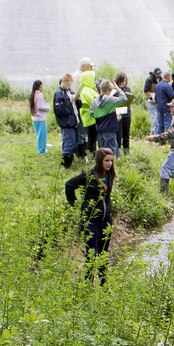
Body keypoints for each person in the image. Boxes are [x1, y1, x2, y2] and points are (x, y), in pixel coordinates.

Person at [65, 147, 116, 284]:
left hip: (106, 219)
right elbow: (69, 185)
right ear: (100, 161)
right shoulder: (88, 175)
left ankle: (103, 284)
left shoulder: (109, 175)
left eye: (111, 160)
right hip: (91, 219)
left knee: (104, 253)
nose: (109, 163)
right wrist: (75, 204)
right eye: (106, 161)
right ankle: (88, 284)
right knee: (91, 253)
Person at [90, 80, 128, 155]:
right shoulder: (110, 100)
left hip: (100, 129)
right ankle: (110, 166)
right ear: (108, 90)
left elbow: (91, 113)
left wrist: (101, 114)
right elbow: (124, 99)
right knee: (111, 151)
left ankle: (101, 165)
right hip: (110, 128)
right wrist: (118, 88)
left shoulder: (95, 101)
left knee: (102, 151)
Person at [53, 73, 79, 168]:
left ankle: (70, 160)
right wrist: (69, 102)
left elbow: (76, 107)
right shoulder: (59, 94)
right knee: (69, 142)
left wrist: (77, 100)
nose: (69, 86)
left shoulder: (70, 91)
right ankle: (65, 164)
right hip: (66, 122)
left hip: (73, 121)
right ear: (63, 82)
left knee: (74, 142)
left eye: (70, 84)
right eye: (68, 84)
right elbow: (59, 110)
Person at [29, 80, 50, 154]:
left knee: (38, 134)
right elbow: (40, 107)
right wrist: (48, 108)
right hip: (40, 117)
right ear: (40, 86)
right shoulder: (40, 95)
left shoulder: (32, 94)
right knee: (42, 135)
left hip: (34, 117)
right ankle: (41, 150)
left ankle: (41, 148)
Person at [114, 72, 133, 157]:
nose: (124, 83)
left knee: (126, 134)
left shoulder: (127, 89)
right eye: (122, 81)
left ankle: (126, 154)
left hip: (127, 114)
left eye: (125, 81)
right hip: (118, 114)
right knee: (118, 135)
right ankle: (118, 155)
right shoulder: (114, 91)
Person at [144, 67, 162, 134]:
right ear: (154, 73)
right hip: (151, 101)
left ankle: (158, 131)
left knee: (158, 116)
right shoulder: (149, 80)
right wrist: (151, 99)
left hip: (158, 100)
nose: (158, 75)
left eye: (159, 73)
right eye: (157, 74)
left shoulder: (160, 79)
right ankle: (153, 132)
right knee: (153, 117)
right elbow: (146, 91)